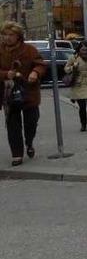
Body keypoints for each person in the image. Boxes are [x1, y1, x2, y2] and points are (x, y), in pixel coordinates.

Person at [0, 22, 46, 166]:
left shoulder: (29, 50)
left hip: (28, 92)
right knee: (12, 125)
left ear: (18, 36)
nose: (7, 38)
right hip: (8, 94)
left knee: (31, 122)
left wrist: (35, 72)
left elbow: (41, 64)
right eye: (4, 35)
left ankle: (29, 142)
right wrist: (6, 74)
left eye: (11, 35)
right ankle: (17, 155)